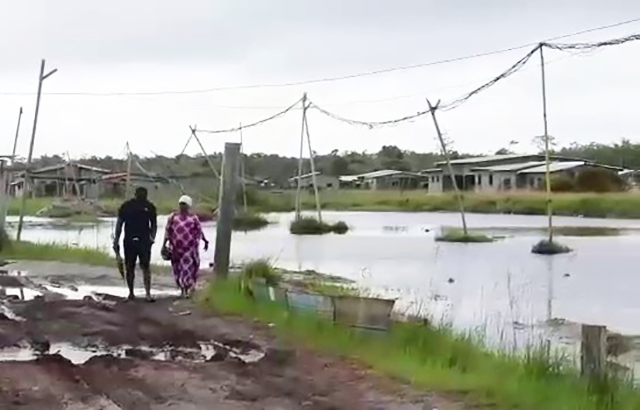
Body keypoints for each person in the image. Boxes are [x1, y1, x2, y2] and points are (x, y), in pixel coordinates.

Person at [113, 187, 157, 302]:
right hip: (132, 240)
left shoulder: (149, 207)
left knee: (142, 267)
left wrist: (152, 238)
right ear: (136, 194)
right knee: (132, 267)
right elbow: (119, 224)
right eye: (141, 194)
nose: (142, 196)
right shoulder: (128, 206)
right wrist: (116, 240)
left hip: (141, 241)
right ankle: (134, 293)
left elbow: (154, 225)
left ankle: (143, 293)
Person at [162, 195, 209, 298]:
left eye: (184, 204)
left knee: (187, 269)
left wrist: (205, 241)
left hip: (189, 248)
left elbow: (199, 231)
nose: (182, 207)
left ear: (188, 206)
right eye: (181, 204)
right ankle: (182, 289)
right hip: (175, 248)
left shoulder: (193, 218)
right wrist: (163, 245)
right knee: (177, 270)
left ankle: (186, 290)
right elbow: (167, 231)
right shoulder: (173, 217)